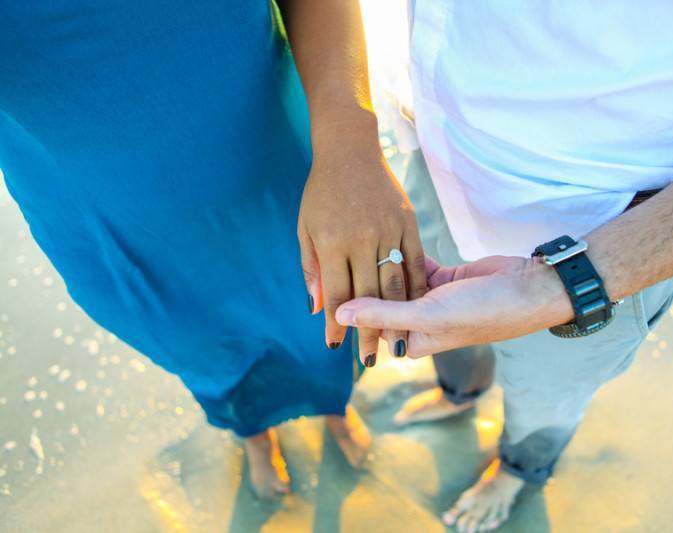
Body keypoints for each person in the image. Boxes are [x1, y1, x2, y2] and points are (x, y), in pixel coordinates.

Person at [335, 3, 673, 531]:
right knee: (437, 323)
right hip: (434, 153)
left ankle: (521, 469)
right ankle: (459, 394)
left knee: (546, 394)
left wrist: (566, 285)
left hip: (611, 232)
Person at [0, 0, 424, 498]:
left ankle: (334, 405)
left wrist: (351, 141)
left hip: (266, 149)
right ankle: (253, 432)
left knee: (314, 309)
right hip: (97, 207)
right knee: (199, 342)